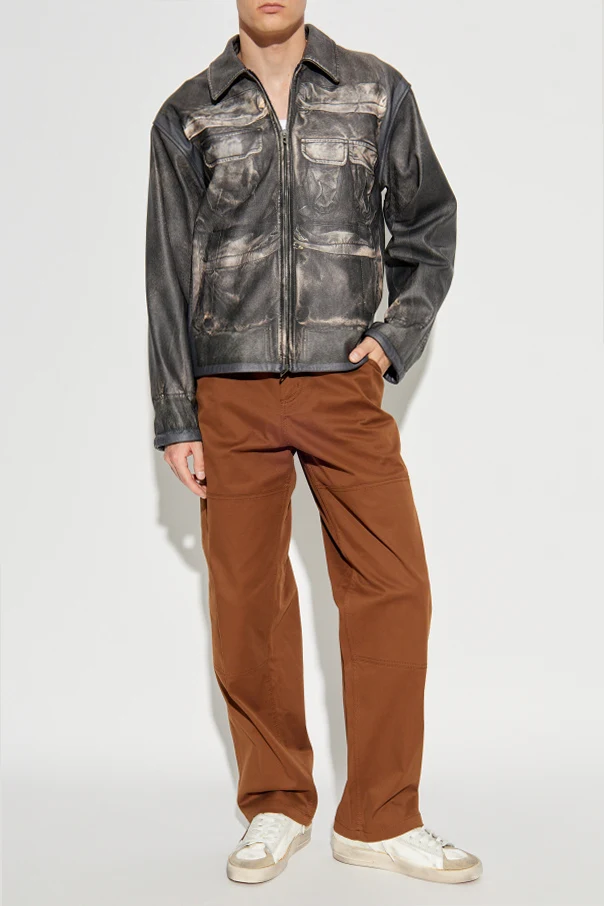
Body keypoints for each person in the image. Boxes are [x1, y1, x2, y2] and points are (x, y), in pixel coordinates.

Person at [145, 0, 482, 886]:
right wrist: (178, 414)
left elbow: (429, 227)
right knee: (246, 602)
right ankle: (275, 802)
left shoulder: (376, 92)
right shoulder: (188, 112)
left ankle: (380, 817)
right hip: (229, 389)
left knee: (394, 587)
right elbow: (167, 273)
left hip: (343, 382)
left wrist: (395, 336)